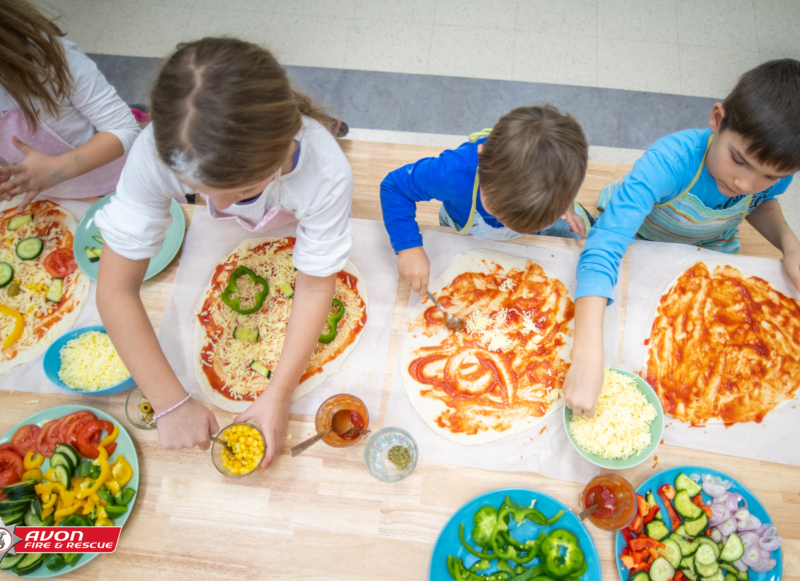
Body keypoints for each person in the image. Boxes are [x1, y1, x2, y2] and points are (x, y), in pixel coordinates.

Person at [94, 38, 354, 471]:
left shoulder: (324, 172)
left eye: (244, 193)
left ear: (285, 141)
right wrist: (170, 402)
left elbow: (313, 288)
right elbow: (115, 290)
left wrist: (278, 392)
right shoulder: (155, 153)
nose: (220, 208)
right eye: (200, 192)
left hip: (295, 215)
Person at [565, 59, 800, 418]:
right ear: (718, 120)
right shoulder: (668, 163)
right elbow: (605, 247)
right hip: (640, 237)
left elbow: (761, 203)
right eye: (738, 160)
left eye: (767, 176)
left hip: (708, 247)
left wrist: (789, 244)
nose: (744, 184)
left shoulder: (772, 173)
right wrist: (586, 355)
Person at [380, 105, 591, 297]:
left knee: (588, 236)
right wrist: (409, 248)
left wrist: (567, 206)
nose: (508, 225)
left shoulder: (559, 175)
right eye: (500, 213)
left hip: (539, 214)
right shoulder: (451, 174)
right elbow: (394, 187)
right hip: (467, 224)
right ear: (482, 159)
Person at [0, 0, 139, 206]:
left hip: (120, 185)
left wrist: (56, 169)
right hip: (48, 199)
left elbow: (124, 129)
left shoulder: (53, 59)